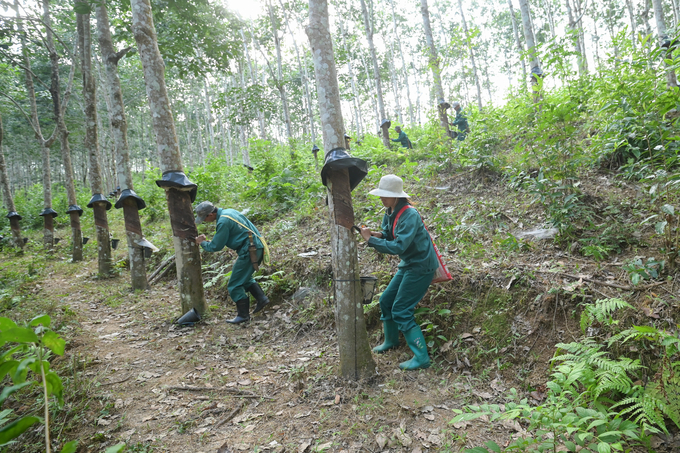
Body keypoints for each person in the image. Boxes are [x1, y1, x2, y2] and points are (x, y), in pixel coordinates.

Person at [358, 175, 437, 370]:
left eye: (386, 195)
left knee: (401, 310)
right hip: (409, 264)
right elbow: (390, 234)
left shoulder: (410, 214)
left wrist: (370, 240)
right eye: (381, 195)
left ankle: (421, 357)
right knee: (386, 301)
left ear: (396, 196)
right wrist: (377, 235)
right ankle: (391, 341)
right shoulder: (390, 211)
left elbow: (399, 245)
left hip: (420, 266)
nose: (382, 198)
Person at [194, 201, 270, 324]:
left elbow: (215, 246)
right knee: (244, 278)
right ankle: (261, 298)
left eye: (204, 218)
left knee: (234, 284)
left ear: (211, 214)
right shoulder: (229, 212)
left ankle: (243, 316)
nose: (204, 221)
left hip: (249, 250)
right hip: (256, 246)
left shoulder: (223, 221)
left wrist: (202, 242)